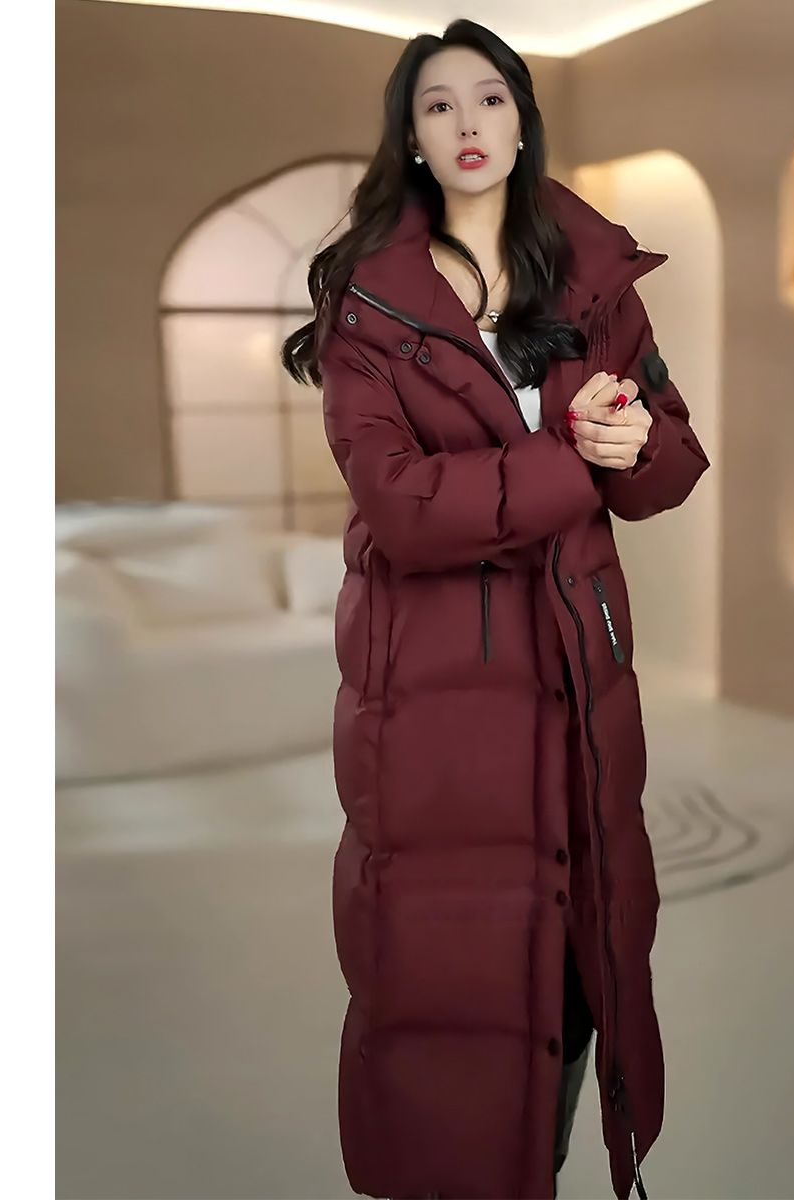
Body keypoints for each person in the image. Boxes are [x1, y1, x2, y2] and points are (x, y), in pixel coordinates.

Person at [281, 18, 710, 1200]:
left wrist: (634, 443)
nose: (467, 124)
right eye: (438, 105)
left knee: (579, 961)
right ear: (411, 139)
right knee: (444, 974)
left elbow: (670, 465)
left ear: (524, 122)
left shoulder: (593, 279)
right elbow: (404, 506)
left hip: (576, 670)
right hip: (433, 693)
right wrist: (575, 460)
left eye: (490, 99)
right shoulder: (368, 303)